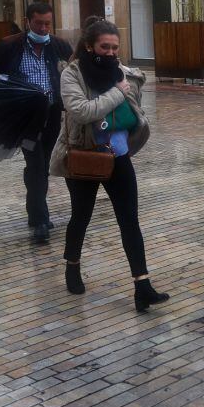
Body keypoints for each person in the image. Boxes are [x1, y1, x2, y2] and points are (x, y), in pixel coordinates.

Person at [48, 19, 170, 312]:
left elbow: (132, 109)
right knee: (81, 215)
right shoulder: (72, 74)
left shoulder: (122, 72)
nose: (111, 52)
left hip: (118, 156)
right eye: (105, 46)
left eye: (115, 47)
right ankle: (72, 265)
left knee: (130, 220)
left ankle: (143, 286)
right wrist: (117, 91)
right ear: (90, 46)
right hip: (85, 155)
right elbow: (82, 111)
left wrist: (128, 87)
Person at [0, 2, 73, 243]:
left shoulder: (58, 46)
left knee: (43, 165)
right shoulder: (10, 46)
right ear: (28, 21)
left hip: (52, 114)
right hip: (25, 117)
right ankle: (41, 220)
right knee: (35, 163)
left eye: (47, 23)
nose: (44, 28)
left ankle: (36, 213)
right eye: (39, 23)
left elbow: (75, 74)